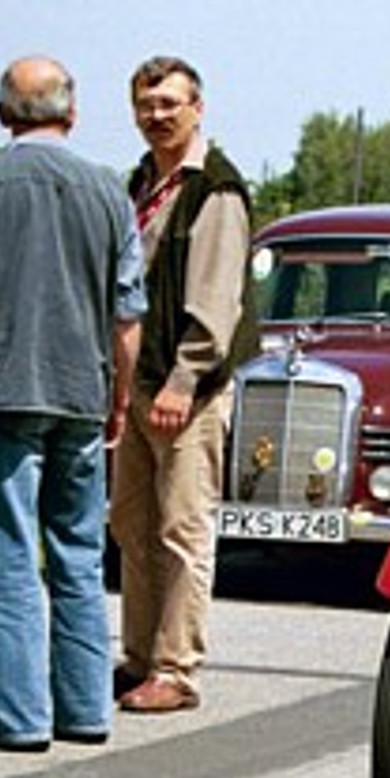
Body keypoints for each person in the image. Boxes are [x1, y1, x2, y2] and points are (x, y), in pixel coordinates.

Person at [0, 56, 144, 752]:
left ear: (1, 115)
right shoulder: (109, 190)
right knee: (76, 554)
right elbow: (128, 312)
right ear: (71, 115)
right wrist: (120, 397)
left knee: (8, 554)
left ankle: (15, 717)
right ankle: (84, 709)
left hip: (3, 384)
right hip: (83, 388)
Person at [108, 55, 257, 715]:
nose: (157, 116)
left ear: (198, 107)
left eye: (170, 104)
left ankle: (177, 668)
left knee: (182, 530)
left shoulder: (214, 189)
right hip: (137, 383)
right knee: (131, 526)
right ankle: (138, 658)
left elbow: (217, 299)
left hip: (184, 387)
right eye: (147, 104)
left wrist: (183, 379)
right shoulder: (142, 181)